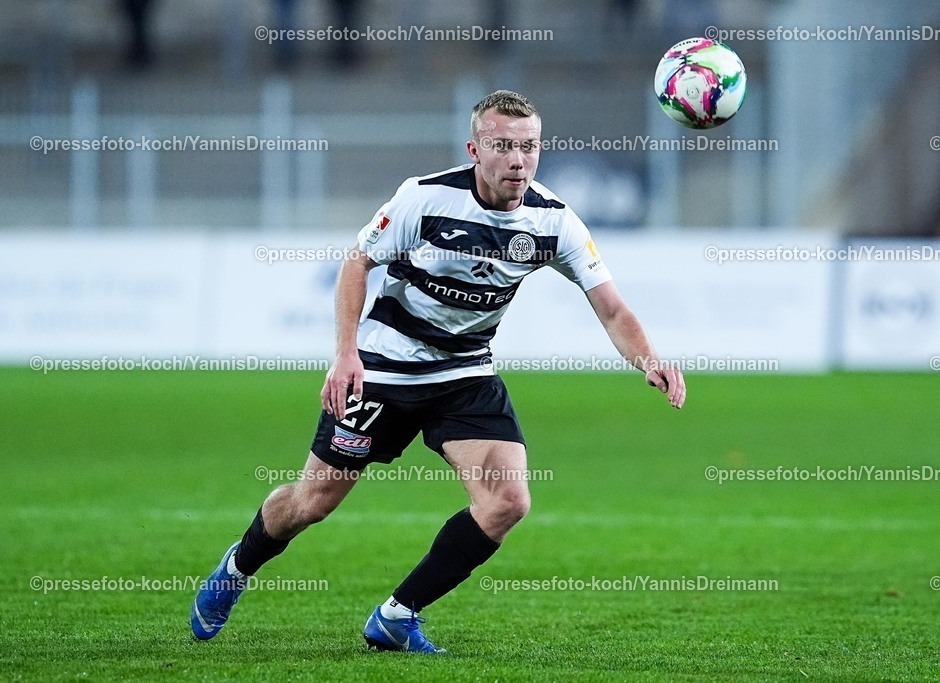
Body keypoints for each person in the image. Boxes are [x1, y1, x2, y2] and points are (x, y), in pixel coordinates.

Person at [190, 90, 685, 654]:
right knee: (313, 502)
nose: (518, 160)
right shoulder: (422, 200)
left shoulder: (555, 222)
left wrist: (649, 360)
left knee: (507, 502)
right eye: (503, 146)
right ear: (475, 149)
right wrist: (346, 353)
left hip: (465, 375)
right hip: (382, 370)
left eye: (529, 147)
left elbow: (613, 308)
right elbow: (358, 263)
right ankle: (238, 564)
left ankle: (397, 616)